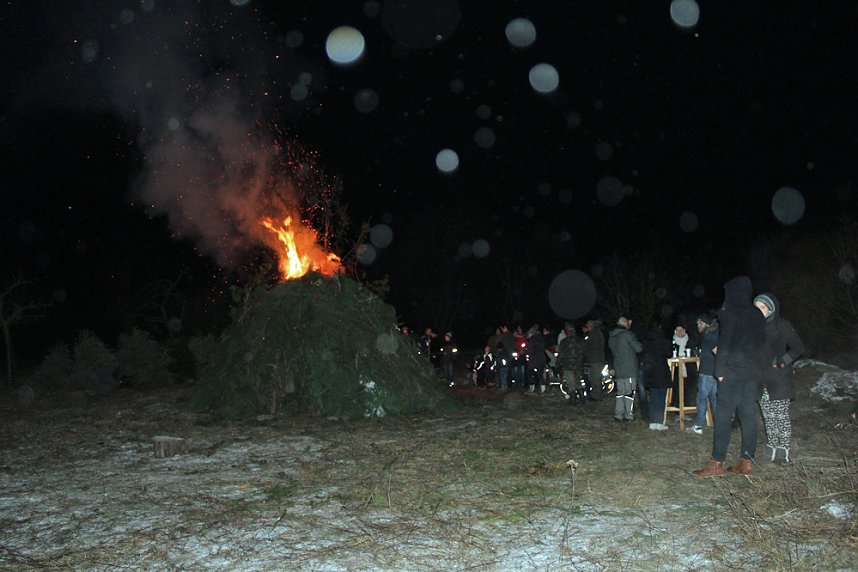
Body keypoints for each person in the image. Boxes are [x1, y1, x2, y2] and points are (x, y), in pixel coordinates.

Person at [693, 276, 766, 478]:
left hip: (732, 372)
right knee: (748, 416)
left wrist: (720, 371)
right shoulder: (757, 314)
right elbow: (760, 345)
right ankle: (746, 462)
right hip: (752, 373)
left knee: (723, 417)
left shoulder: (730, 312)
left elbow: (725, 343)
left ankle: (716, 464)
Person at [754, 292, 805, 465]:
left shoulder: (782, 325)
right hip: (761, 379)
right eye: (756, 307)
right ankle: (771, 449)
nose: (758, 310)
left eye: (762, 307)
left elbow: (798, 347)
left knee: (780, 416)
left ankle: (784, 453)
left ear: (771, 309)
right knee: (768, 416)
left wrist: (783, 361)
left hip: (780, 378)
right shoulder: (754, 328)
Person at [608, 316, 643, 422]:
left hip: (618, 368)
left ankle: (618, 414)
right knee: (629, 393)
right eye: (628, 321)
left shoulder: (612, 336)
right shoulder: (627, 335)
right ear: (624, 322)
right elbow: (638, 348)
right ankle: (629, 415)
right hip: (629, 368)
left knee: (620, 393)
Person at [690, 312, 719, 435]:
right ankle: (720, 425)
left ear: (707, 324)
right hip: (714, 372)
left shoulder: (711, 336)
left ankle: (698, 425)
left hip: (708, 372)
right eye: (697, 323)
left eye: (700, 323)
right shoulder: (712, 334)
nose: (698, 326)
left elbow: (717, 352)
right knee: (715, 399)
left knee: (702, 398)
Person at [642, 322, 672, 430]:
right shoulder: (663, 341)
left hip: (650, 372)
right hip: (661, 372)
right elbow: (669, 354)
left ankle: (652, 422)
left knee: (654, 398)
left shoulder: (646, 341)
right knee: (661, 398)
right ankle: (659, 422)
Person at [556, 323, 585, 402]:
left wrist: (558, 365)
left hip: (568, 365)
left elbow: (561, 355)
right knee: (578, 381)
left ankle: (573, 398)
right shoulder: (580, 340)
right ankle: (582, 397)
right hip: (578, 365)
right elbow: (584, 352)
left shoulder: (564, 342)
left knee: (570, 382)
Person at [582, 319, 606, 400]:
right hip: (593, 359)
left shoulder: (595, 333)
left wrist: (586, 345)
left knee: (596, 378)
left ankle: (597, 396)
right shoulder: (593, 333)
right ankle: (594, 394)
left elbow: (593, 345)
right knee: (593, 378)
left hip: (596, 359)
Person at [526, 325, 547, 394]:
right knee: (540, 374)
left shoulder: (532, 340)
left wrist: (526, 352)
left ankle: (532, 388)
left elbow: (530, 350)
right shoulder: (541, 338)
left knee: (530, 373)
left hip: (534, 360)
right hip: (541, 359)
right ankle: (543, 389)